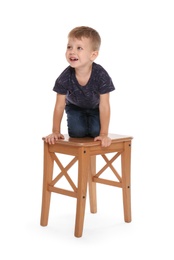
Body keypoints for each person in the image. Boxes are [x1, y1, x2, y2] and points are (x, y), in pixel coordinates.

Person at [44, 26, 115, 147]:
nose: (72, 51)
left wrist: (104, 134)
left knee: (95, 132)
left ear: (93, 55)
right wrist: (55, 131)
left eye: (79, 48)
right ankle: (82, 123)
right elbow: (60, 105)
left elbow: (104, 105)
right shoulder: (65, 77)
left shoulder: (101, 75)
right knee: (77, 132)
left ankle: (92, 125)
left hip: (95, 108)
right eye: (69, 47)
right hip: (75, 107)